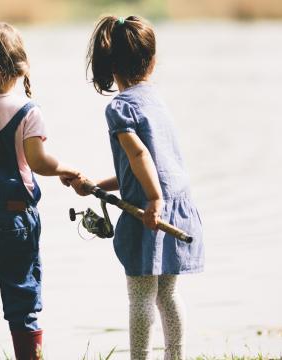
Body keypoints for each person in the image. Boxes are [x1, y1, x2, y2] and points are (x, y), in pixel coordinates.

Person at [70, 15, 205, 360]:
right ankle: (175, 356)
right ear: (152, 61)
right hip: (176, 204)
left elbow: (138, 153)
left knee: (141, 296)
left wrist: (154, 199)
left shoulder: (120, 107)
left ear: (111, 65)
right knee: (168, 295)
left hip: (152, 210)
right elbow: (146, 164)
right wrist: (98, 185)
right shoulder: (156, 99)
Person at [0, 21, 80, 360]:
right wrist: (65, 170)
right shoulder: (29, 112)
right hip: (14, 223)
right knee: (22, 301)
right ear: (18, 67)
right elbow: (39, 163)